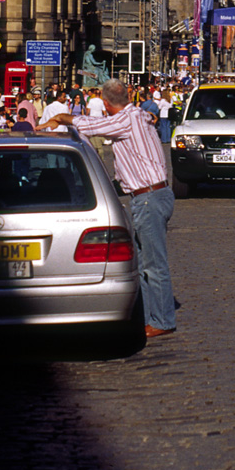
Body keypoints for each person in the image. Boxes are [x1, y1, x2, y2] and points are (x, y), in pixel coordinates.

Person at [47, 78, 176, 338]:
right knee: (143, 264)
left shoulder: (125, 120)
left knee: (154, 265)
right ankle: (151, 316)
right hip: (152, 195)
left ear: (105, 104)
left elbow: (93, 126)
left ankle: (162, 320)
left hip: (149, 197)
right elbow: (145, 117)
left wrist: (63, 118)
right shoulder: (139, 114)